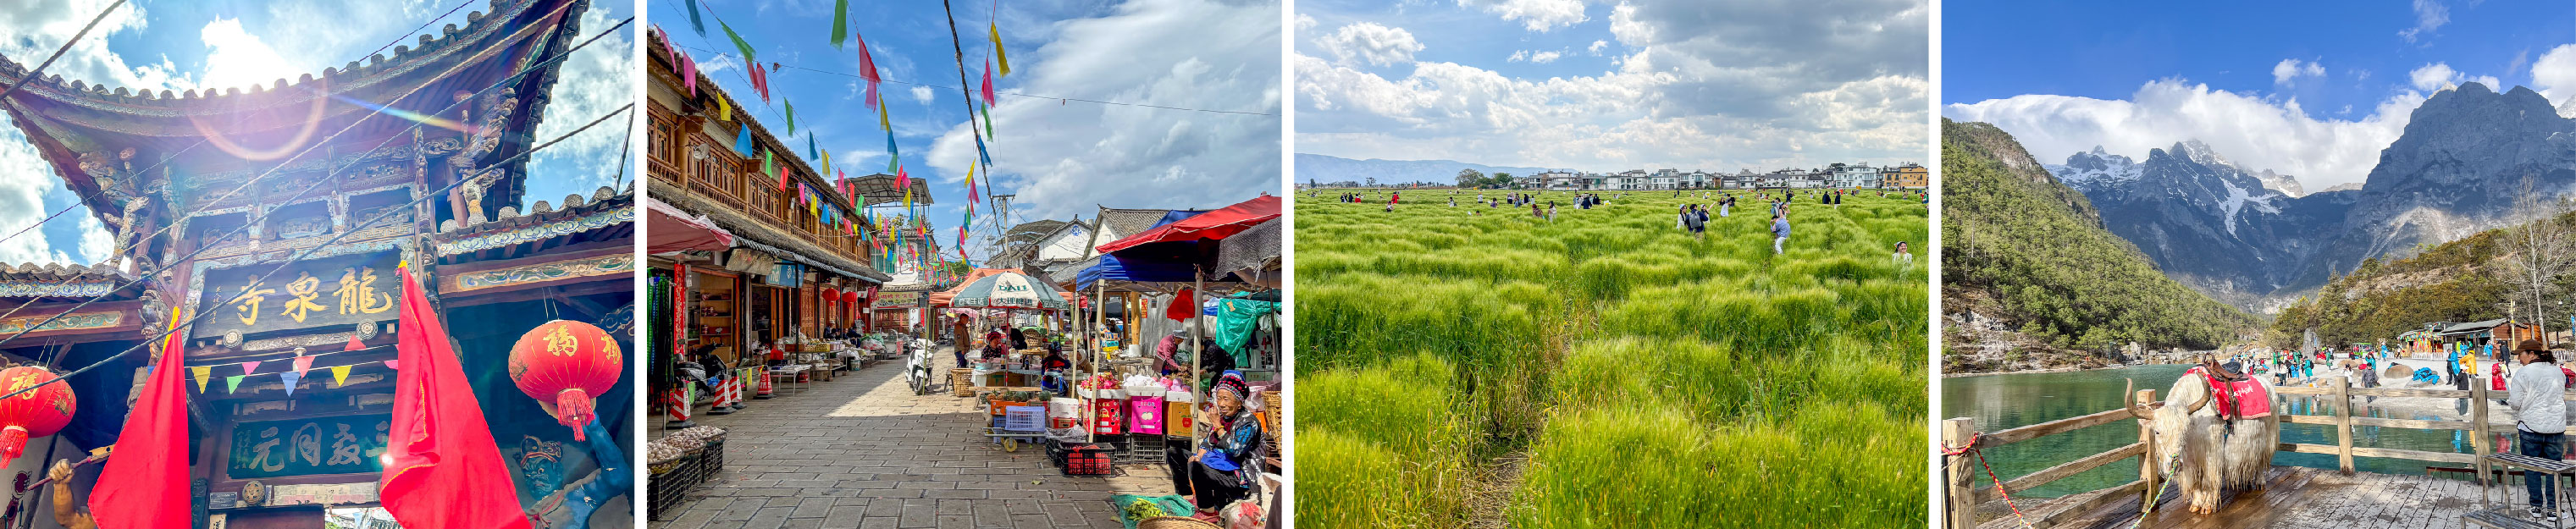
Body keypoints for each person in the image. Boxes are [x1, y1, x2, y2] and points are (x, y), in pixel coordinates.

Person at [2508, 340, 2568, 521]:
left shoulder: (2523, 373)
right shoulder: (2557, 371)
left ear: (2532, 354)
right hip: (2555, 427)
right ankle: (2553, 509)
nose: (2519, 358)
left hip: (2530, 427)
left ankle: (2535, 506)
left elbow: (2514, 403)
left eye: (2521, 354)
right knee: (2554, 469)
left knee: (2532, 468)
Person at [1191, 371, 1264, 514]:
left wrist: (1218, 427)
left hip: (1241, 475)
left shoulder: (1248, 422)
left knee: (1198, 469)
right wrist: (1198, 456)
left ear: (1239, 403)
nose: (1221, 404)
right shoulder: (1224, 418)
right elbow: (1208, 441)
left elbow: (1235, 450)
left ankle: (1207, 510)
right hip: (1223, 465)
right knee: (1176, 454)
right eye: (1219, 399)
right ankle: (1187, 499)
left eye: (1226, 399)